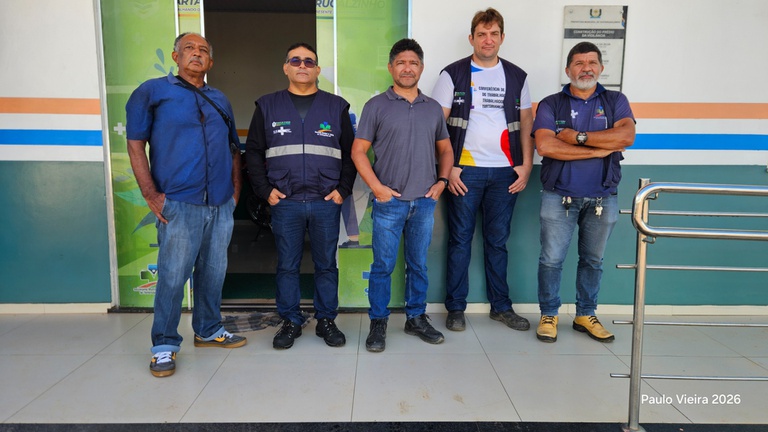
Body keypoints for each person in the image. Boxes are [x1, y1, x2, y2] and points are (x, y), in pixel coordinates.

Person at [126, 32, 247, 378]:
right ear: (176, 56)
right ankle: (164, 345)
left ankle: (208, 329)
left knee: (213, 272)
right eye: (189, 49)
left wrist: (234, 193)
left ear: (211, 61)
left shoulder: (220, 98)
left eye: (203, 50)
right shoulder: (152, 92)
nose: (196, 54)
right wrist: (151, 194)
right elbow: (135, 145)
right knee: (173, 276)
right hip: (178, 202)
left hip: (220, 204)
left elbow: (233, 149)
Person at [245, 42, 356, 350]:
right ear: (286, 67)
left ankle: (326, 320)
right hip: (286, 202)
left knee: (326, 265)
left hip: (325, 201)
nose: (303, 65)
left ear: (317, 69)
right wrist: (265, 191)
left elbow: (351, 154)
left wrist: (342, 190)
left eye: (309, 61)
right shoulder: (267, 106)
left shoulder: (336, 106)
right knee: (287, 265)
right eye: (296, 60)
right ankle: (291, 320)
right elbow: (253, 151)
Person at [431, 7, 533, 332]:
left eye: (493, 34)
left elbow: (526, 123)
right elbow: (436, 125)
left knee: (498, 241)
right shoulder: (452, 74)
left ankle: (501, 307)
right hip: (465, 172)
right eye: (481, 34)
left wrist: (526, 166)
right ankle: (455, 309)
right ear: (471, 38)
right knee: (460, 240)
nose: (487, 40)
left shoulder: (517, 76)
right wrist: (449, 169)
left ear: (502, 37)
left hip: (506, 173)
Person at [351, 38, 454, 353]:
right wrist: (377, 188)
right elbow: (358, 151)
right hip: (389, 203)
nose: (407, 68)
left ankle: (416, 318)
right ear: (390, 67)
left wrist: (442, 181)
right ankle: (378, 322)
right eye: (401, 62)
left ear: (421, 68)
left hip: (424, 202)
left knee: (418, 265)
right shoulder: (376, 106)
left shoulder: (432, 108)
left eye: (413, 63)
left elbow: (446, 149)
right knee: (382, 266)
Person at [532, 41, 635, 343]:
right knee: (551, 260)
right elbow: (545, 145)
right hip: (558, 196)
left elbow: (626, 136)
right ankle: (548, 314)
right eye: (579, 63)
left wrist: (577, 138)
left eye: (592, 62)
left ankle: (585, 314)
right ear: (568, 70)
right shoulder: (551, 104)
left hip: (603, 197)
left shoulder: (616, 101)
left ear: (601, 68)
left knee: (593, 261)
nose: (586, 68)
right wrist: (598, 149)